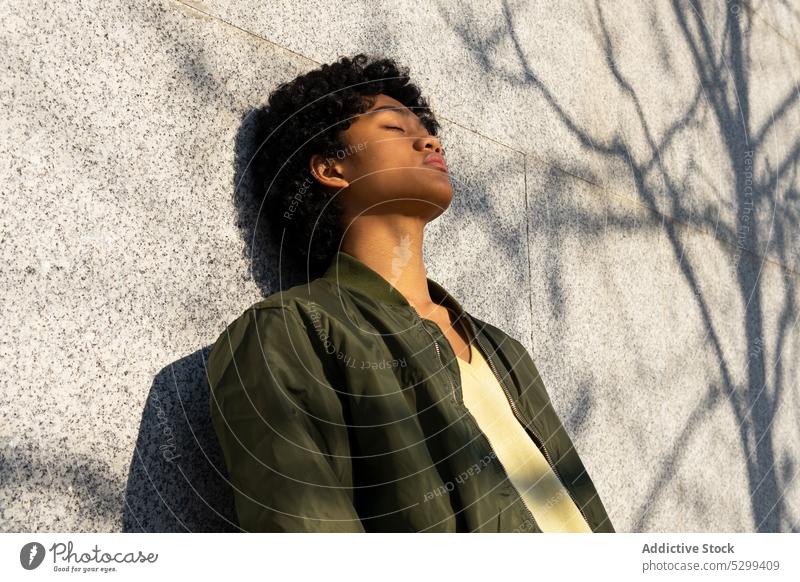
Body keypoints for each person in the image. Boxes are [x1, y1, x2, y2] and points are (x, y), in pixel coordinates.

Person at [206, 53, 615, 533]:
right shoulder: (288, 334)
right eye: (393, 129)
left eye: (424, 127)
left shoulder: (504, 350)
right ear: (331, 169)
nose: (430, 139)